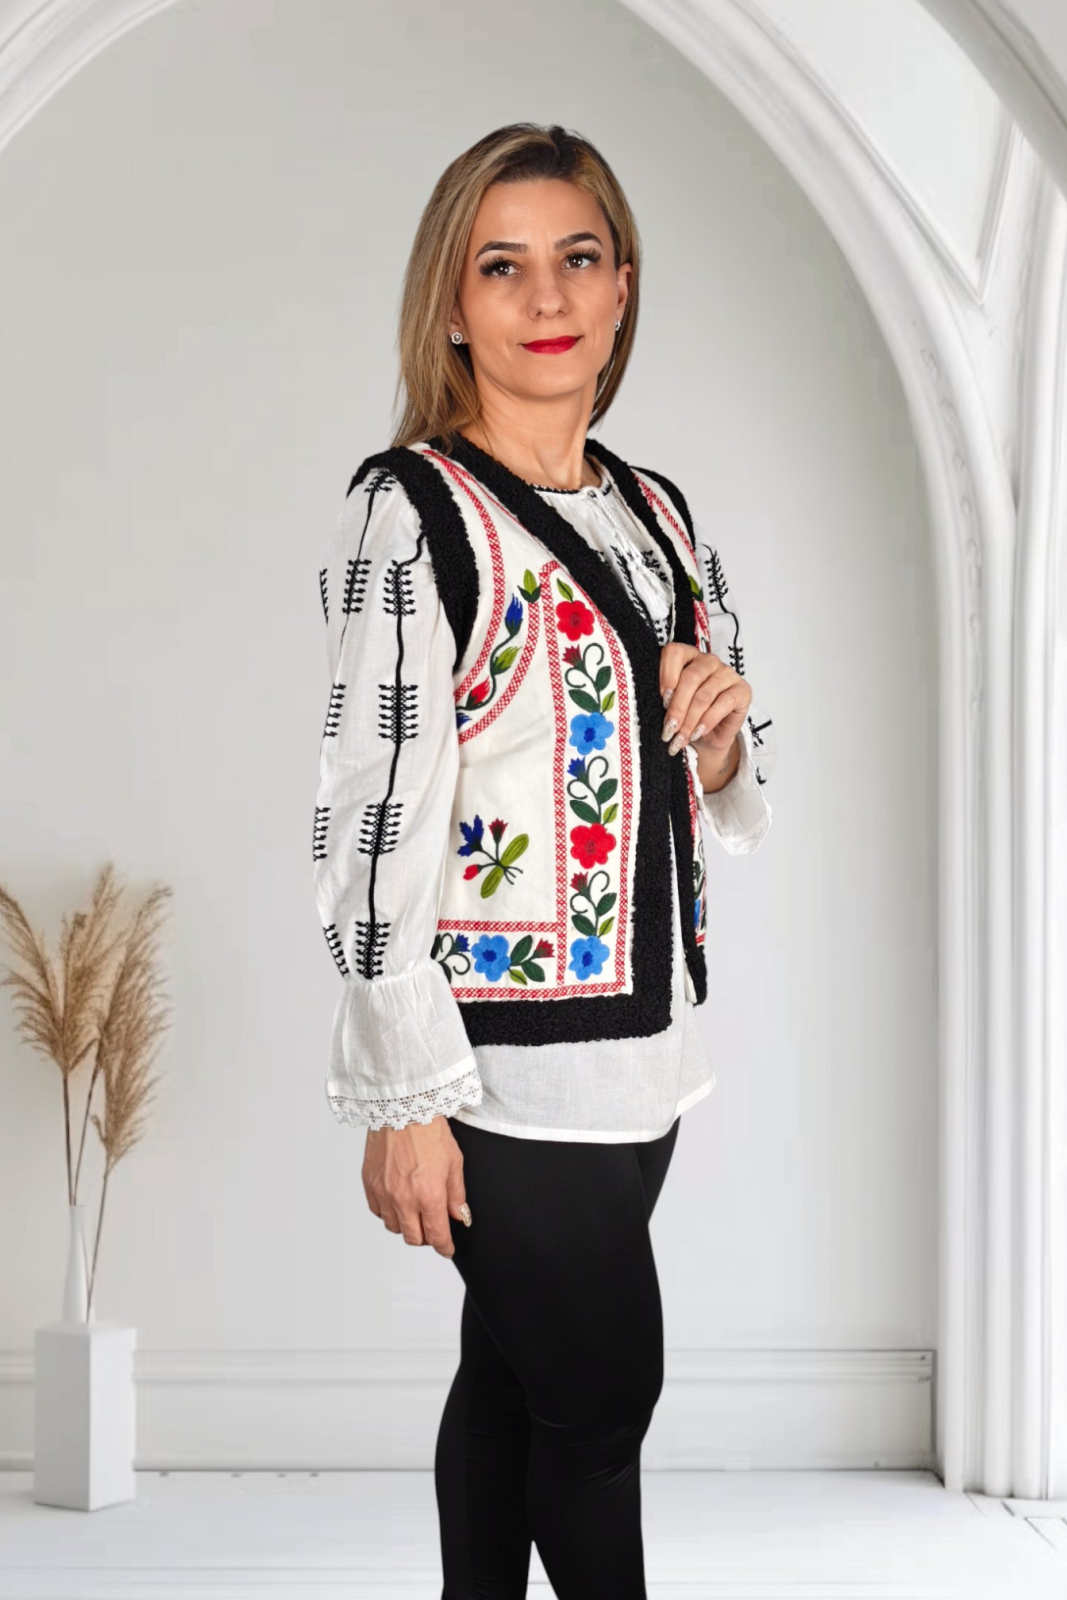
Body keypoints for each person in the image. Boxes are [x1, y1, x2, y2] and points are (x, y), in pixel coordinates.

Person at [313, 121, 776, 1600]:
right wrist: (403, 1096)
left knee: (515, 1391)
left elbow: (713, 778)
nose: (547, 296)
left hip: (645, 1056)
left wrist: (720, 731)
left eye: (577, 257)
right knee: (600, 1404)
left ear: (623, 286)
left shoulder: (657, 514)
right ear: (452, 304)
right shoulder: (416, 512)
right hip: (497, 1071)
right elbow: (373, 809)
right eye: (501, 267)